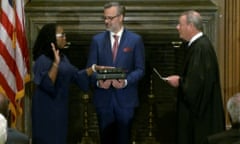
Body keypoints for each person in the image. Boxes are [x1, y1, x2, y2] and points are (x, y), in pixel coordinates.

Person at [31, 23, 105, 144]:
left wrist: (94, 68)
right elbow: (48, 84)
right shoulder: (42, 60)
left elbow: (76, 76)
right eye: (62, 35)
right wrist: (56, 63)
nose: (65, 37)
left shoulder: (63, 57)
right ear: (52, 38)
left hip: (60, 106)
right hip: (46, 107)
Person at [86, 2, 145, 144]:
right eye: (105, 18)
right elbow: (90, 69)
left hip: (125, 101)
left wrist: (125, 81)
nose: (107, 21)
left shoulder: (135, 40)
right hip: (104, 100)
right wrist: (99, 81)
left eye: (110, 18)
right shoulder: (97, 41)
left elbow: (140, 69)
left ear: (121, 17)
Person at [165, 10, 225, 144]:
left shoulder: (200, 48)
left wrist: (179, 81)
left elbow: (196, 86)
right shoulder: (199, 46)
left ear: (190, 26)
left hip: (199, 120)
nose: (177, 27)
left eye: (180, 24)